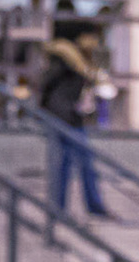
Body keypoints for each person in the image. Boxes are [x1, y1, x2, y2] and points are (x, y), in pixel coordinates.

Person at [39, 20, 110, 219]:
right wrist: (47, 111)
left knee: (75, 162)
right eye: (92, 37)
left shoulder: (80, 60)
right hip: (63, 118)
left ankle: (70, 207)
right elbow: (46, 85)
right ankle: (68, 208)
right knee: (72, 163)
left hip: (73, 117)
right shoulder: (65, 58)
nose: (95, 42)